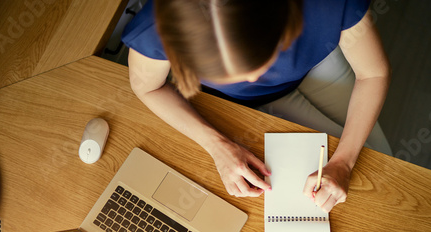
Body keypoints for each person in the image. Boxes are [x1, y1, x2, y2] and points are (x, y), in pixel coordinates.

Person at [122, 0, 392, 213]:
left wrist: (344, 162)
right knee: (369, 175)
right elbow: (147, 86)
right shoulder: (161, 25)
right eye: (226, 76)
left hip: (317, 61)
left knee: (380, 159)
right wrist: (217, 146)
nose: (252, 80)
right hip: (238, 107)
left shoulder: (326, 5)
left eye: (255, 65)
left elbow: (373, 74)